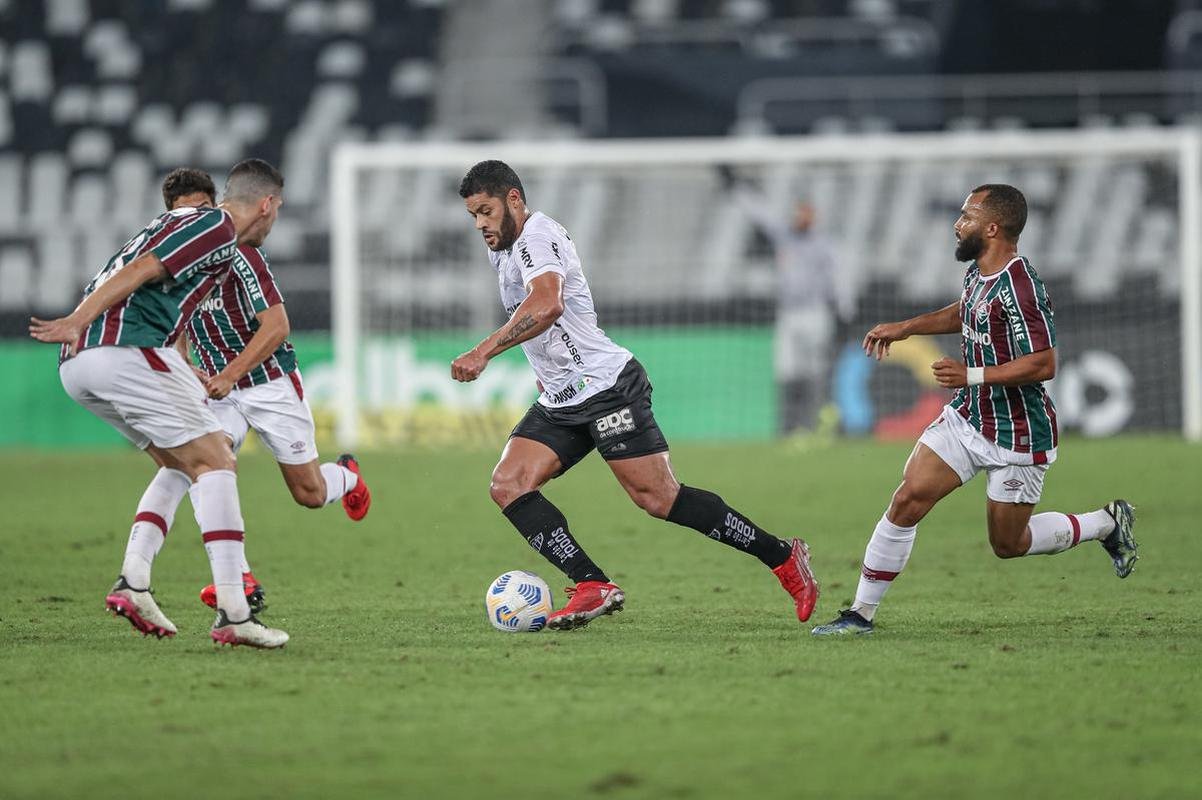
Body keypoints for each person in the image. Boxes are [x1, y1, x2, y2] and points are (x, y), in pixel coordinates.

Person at [451, 160, 819, 631]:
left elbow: (547, 304)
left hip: (607, 389)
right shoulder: (503, 247)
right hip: (564, 396)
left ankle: (784, 556)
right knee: (508, 484)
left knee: (658, 498)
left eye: (485, 211)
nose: (480, 224)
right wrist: (547, 370)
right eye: (473, 216)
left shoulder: (537, 236)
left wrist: (483, 352)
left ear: (514, 200)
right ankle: (592, 584)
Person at [811, 184, 1138, 637]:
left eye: (966, 216)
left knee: (1008, 543)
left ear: (992, 227)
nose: (956, 224)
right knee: (907, 499)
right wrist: (905, 328)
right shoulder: (979, 270)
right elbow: (966, 312)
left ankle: (1104, 523)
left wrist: (973, 375)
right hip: (969, 417)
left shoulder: (1022, 285)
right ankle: (860, 614)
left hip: (1019, 433)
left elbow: (1045, 363)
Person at [29, 159, 292, 649]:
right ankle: (234, 611)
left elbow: (150, 283)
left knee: (181, 463)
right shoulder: (216, 224)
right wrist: (77, 318)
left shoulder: (162, 222)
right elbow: (143, 270)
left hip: (78, 366)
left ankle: (135, 581)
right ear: (267, 204)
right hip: (121, 349)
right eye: (277, 211)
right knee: (216, 457)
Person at [146, 168, 371, 613]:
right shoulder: (180, 254)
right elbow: (182, 315)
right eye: (181, 214)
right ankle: (237, 578)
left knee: (308, 493)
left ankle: (346, 476)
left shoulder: (242, 254)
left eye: (199, 211)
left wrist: (231, 372)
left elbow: (277, 326)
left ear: (215, 206)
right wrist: (187, 361)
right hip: (217, 390)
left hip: (268, 383)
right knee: (205, 466)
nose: (191, 221)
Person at [725, 170, 854, 434]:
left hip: (815, 314)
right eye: (797, 213)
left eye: (805, 213)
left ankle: (819, 422)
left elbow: (839, 278)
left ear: (813, 217)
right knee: (786, 371)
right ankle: (789, 427)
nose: (800, 218)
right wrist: (737, 187)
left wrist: (844, 308)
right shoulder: (783, 236)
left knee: (815, 371)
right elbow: (759, 213)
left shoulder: (823, 245)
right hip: (788, 315)